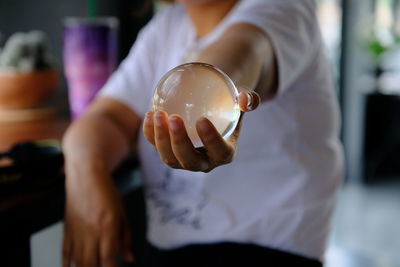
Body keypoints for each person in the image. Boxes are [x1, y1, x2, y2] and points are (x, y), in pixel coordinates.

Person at [62, 0, 343, 266]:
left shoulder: (282, 9)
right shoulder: (165, 29)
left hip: (269, 250)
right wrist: (85, 174)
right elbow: (105, 117)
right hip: (170, 250)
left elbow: (244, 52)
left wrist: (215, 85)